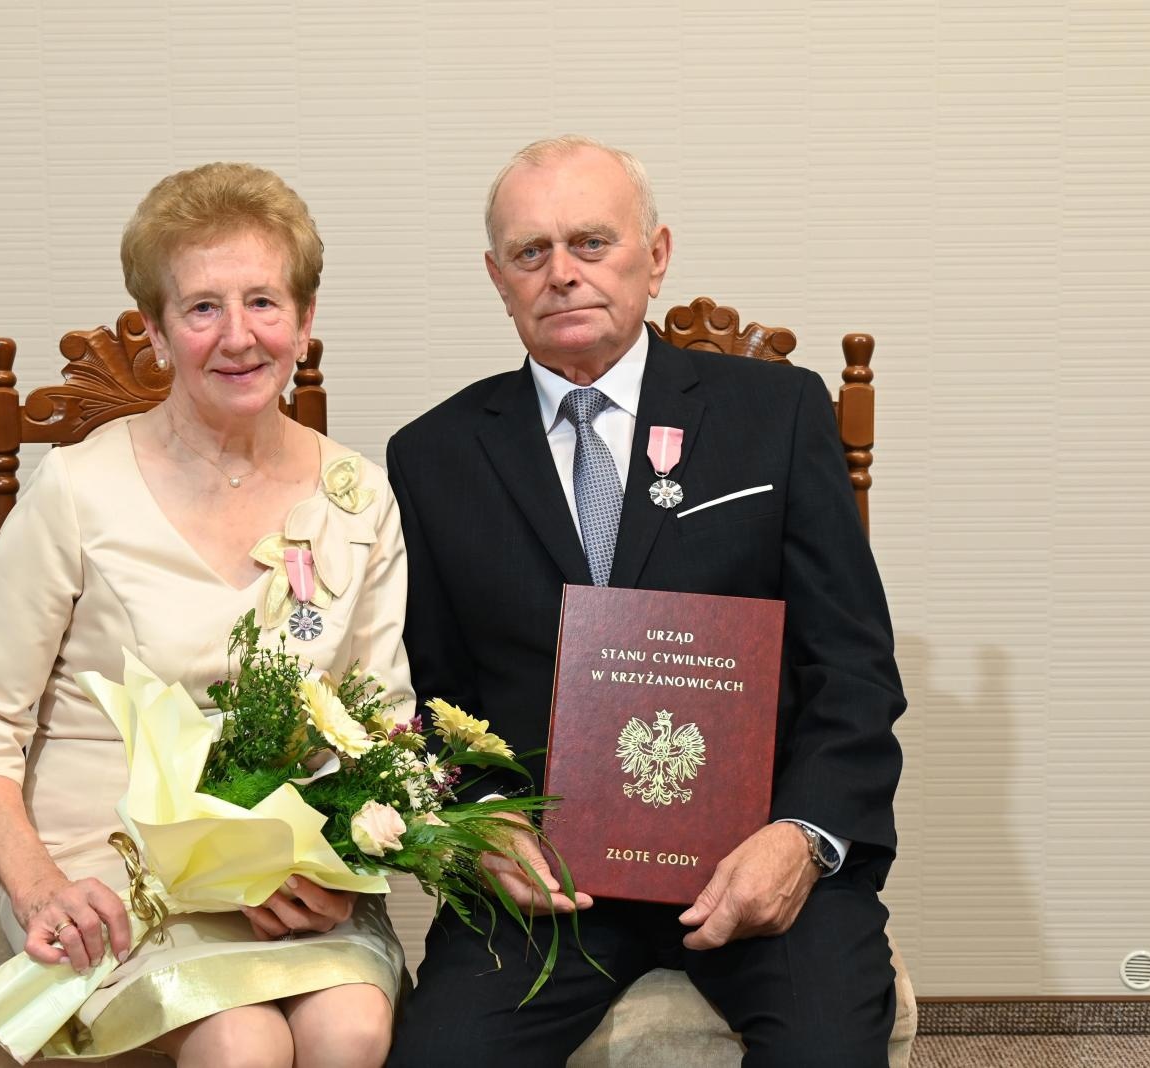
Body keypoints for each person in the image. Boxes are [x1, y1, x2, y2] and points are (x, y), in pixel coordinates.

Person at [384, 136, 905, 1067]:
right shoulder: (432, 457)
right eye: (531, 253)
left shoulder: (777, 415)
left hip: (757, 852)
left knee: (828, 1050)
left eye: (592, 243)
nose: (562, 275)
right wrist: (485, 823)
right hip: (546, 880)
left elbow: (854, 668)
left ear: (655, 256)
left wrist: (802, 836)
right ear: (497, 278)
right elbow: (427, 696)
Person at [0, 162, 409, 1068]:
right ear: (155, 333)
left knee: (348, 1030)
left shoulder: (359, 497)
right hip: (110, 870)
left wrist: (331, 866)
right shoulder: (76, 488)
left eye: (266, 303)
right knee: (244, 1043)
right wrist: (39, 889)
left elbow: (381, 721)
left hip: (290, 870)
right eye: (201, 309)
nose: (239, 337)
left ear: (306, 325)